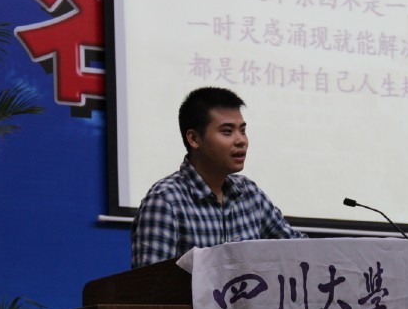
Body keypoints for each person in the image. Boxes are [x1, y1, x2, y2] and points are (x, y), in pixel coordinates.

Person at [131, 86, 306, 268]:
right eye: (227, 131)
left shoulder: (250, 195)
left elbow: (298, 250)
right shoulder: (165, 201)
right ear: (194, 139)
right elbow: (151, 283)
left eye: (242, 130)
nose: (241, 141)